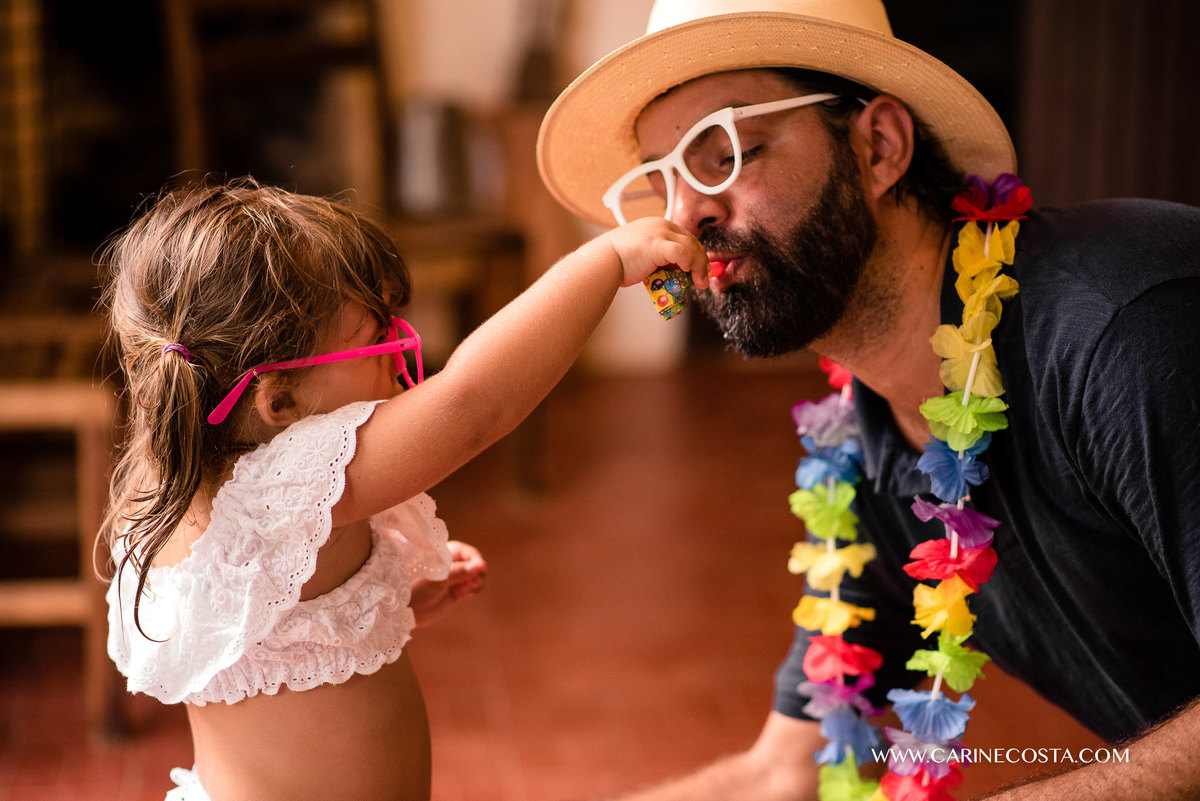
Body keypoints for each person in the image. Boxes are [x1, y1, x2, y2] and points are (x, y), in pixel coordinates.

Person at [536, 0, 1200, 799]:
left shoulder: (1123, 336)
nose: (684, 216)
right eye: (660, 181)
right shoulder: (866, 445)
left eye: (724, 155)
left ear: (879, 147)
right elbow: (783, 771)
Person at [101, 177, 708, 801]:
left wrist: (384, 605)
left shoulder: (170, 480)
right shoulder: (283, 488)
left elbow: (260, 650)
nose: (398, 351)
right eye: (375, 340)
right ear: (277, 399)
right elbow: (475, 403)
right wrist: (604, 261)